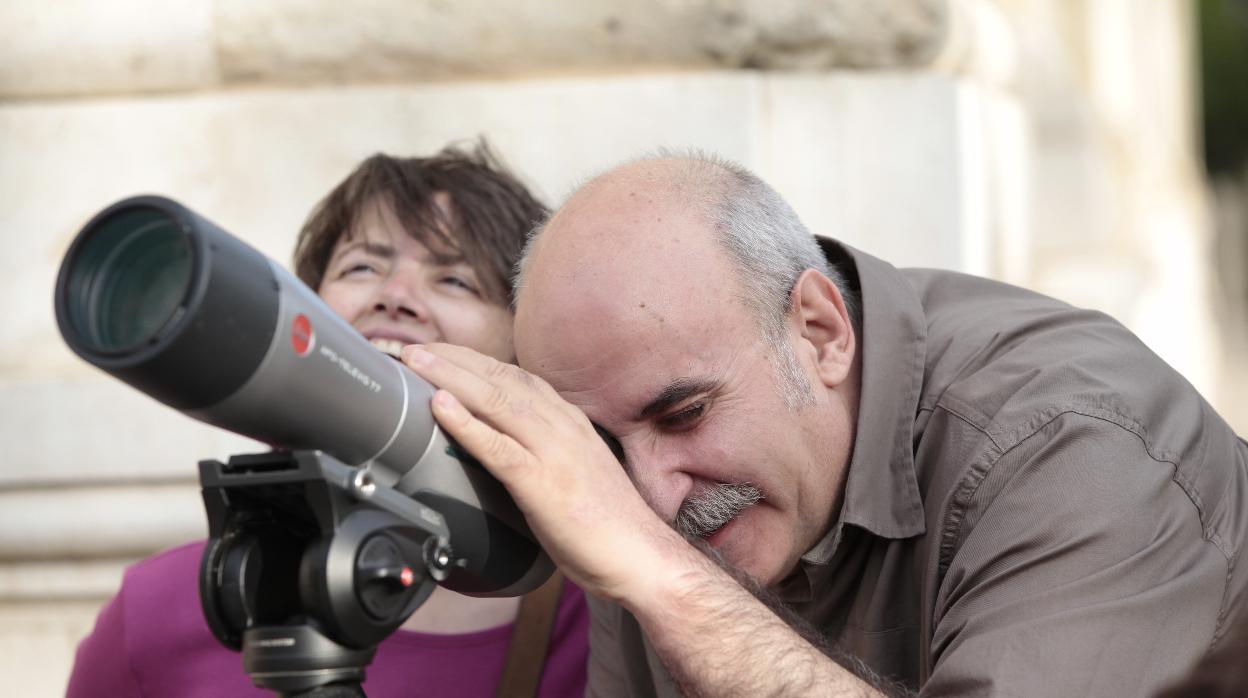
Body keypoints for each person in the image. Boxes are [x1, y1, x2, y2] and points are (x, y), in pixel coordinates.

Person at [400, 151, 1248, 696]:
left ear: (820, 332)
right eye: (608, 448)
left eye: (686, 411)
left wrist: (667, 583)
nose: (654, 496)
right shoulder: (654, 484)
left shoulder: (1070, 439)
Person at [66, 142, 589, 697]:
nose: (395, 297)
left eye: (455, 279)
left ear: (521, 344)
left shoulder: (600, 616)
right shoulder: (155, 611)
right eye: (361, 266)